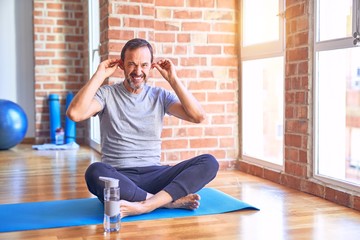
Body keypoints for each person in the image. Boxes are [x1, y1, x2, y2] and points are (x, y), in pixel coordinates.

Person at [66, 38, 219, 217]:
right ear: (122, 65)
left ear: (151, 67)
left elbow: (198, 116)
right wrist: (99, 75)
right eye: (132, 64)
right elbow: (75, 114)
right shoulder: (107, 94)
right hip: (120, 177)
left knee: (209, 162)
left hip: (155, 175)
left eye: (144, 65)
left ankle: (146, 204)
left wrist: (173, 79)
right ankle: (166, 203)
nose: (138, 71)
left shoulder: (160, 96)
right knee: (95, 171)